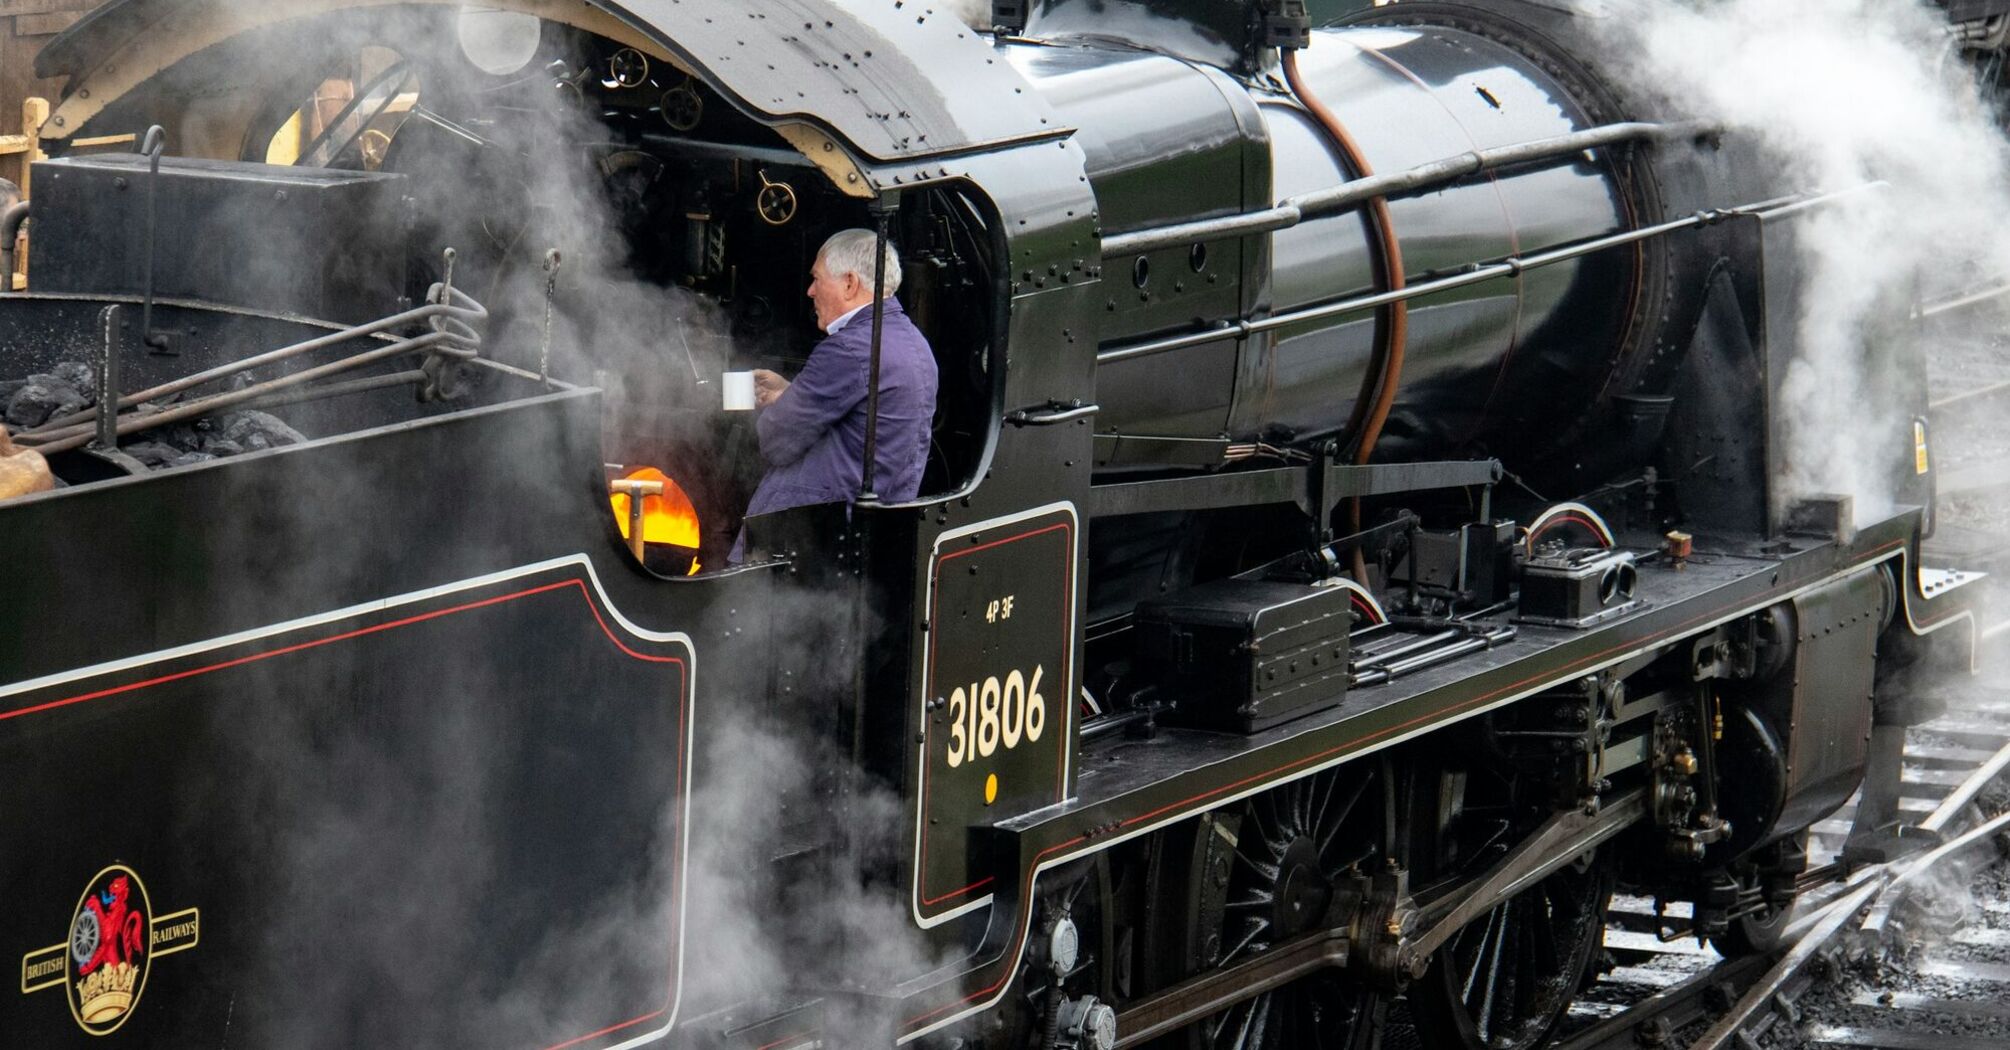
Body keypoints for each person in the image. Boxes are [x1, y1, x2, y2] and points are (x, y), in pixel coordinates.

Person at [732, 229, 938, 561]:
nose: (810, 291)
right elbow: (858, 419)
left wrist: (780, 408)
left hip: (808, 540)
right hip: (871, 529)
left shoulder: (848, 350)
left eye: (816, 279)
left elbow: (776, 441)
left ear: (849, 284)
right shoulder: (915, 344)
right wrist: (790, 393)